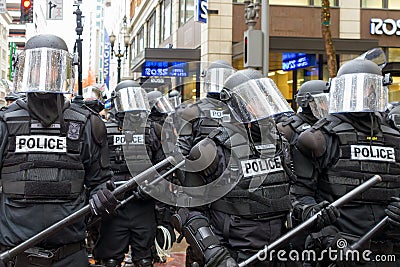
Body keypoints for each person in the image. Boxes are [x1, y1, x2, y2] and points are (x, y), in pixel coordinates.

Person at [0, 34, 117, 267]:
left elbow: (100, 181)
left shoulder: (87, 124)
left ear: (63, 72)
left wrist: (102, 197)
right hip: (15, 255)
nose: (43, 75)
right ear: (25, 70)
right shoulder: (5, 124)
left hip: (69, 255)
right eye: (36, 66)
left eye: (52, 67)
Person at [172, 69, 297, 267]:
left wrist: (307, 210)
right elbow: (189, 211)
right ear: (239, 105)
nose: (264, 104)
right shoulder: (209, 149)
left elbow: (294, 194)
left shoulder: (280, 143)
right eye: (255, 99)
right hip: (233, 255)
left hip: (279, 253)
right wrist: (214, 252)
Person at [291, 58, 400, 266]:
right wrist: (317, 219)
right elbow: (298, 196)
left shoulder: (395, 139)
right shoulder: (318, 138)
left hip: (390, 252)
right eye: (356, 88)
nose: (363, 94)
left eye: (369, 88)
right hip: (338, 252)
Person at [93, 80, 157, 267]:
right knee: (110, 261)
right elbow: (94, 167)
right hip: (114, 204)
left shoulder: (151, 129)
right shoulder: (103, 129)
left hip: (143, 203)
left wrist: (153, 187)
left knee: (145, 260)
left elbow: (165, 167)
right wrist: (103, 187)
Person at [277, 80, 329, 145]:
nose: (328, 106)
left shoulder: (329, 125)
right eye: (322, 102)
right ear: (309, 102)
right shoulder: (287, 129)